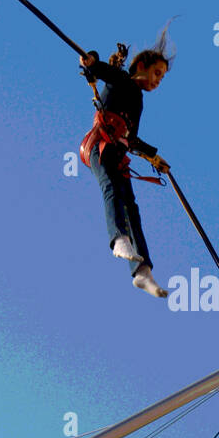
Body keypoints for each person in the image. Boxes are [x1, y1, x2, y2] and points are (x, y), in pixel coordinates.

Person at [79, 35, 172, 299]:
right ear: (141, 65)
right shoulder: (122, 82)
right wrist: (92, 63)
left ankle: (142, 271)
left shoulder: (137, 101)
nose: (158, 80)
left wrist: (154, 157)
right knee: (110, 187)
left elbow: (131, 140)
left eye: (162, 77)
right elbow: (104, 71)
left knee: (132, 207)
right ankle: (118, 238)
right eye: (157, 73)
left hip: (118, 151)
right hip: (99, 146)